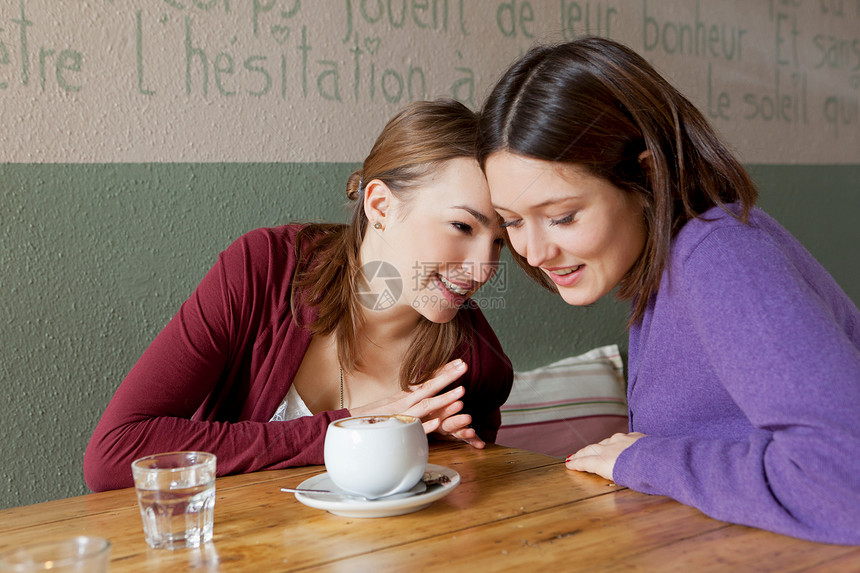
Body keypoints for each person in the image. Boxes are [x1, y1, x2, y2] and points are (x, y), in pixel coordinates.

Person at [477, 37, 860, 544]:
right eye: (512, 222)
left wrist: (647, 458)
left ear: (647, 176)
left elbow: (842, 480)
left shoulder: (719, 255)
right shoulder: (664, 267)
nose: (534, 251)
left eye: (563, 216)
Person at [85, 99, 513, 492]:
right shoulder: (263, 270)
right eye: (462, 226)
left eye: (500, 240)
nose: (484, 268)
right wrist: (345, 426)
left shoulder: (473, 366)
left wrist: (440, 456)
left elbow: (458, 523)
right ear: (380, 206)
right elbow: (114, 455)